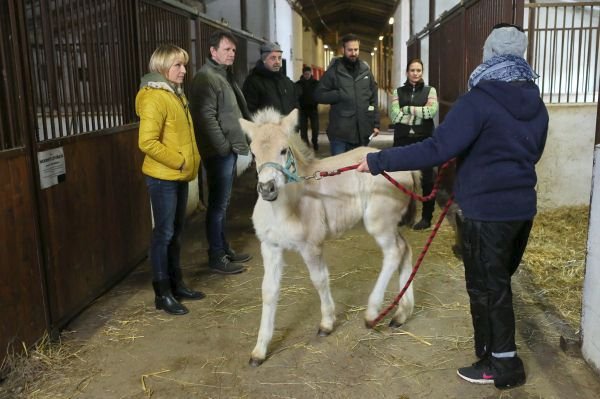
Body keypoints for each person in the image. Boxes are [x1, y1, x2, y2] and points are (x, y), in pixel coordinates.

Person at [357, 24, 548, 390]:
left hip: (486, 211)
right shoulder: (535, 100)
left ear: (489, 54)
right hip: (522, 208)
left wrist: (380, 161)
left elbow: (436, 149)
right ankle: (492, 353)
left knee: (487, 288)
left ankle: (502, 365)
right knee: (498, 283)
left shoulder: (478, 100)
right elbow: (532, 151)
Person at [136, 44, 205, 316]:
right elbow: (147, 142)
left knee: (175, 232)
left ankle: (177, 285)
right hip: (163, 176)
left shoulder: (176, 94)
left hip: (178, 175)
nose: (184, 70)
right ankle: (162, 293)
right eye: (178, 65)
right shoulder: (155, 97)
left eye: (183, 65)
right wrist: (179, 161)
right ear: (163, 67)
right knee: (163, 234)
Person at [189, 30, 252, 275]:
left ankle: (224, 249)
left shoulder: (223, 75)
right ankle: (216, 255)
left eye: (234, 50)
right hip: (219, 153)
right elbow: (206, 118)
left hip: (227, 151)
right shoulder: (206, 78)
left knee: (223, 204)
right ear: (212, 51)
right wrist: (224, 148)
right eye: (227, 49)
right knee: (218, 206)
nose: (232, 54)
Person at [390, 59, 439, 230]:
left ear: (422, 72)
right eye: (412, 70)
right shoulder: (398, 91)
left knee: (427, 180)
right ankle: (404, 215)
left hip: (424, 140)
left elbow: (431, 111)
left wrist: (407, 109)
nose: (415, 73)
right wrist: (418, 114)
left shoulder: (430, 91)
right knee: (403, 179)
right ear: (407, 72)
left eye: (419, 70)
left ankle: (426, 217)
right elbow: (394, 116)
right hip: (402, 140)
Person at [314, 33, 379, 155]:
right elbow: (318, 94)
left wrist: (374, 122)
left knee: (359, 170)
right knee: (339, 171)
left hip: (362, 132)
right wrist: (339, 94)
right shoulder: (334, 72)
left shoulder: (366, 72)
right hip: (340, 134)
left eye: (356, 49)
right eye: (350, 50)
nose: (353, 53)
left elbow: (373, 99)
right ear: (343, 50)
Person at [242, 42, 298, 116]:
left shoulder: (286, 81)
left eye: (279, 58)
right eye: (273, 58)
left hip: (288, 127)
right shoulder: (253, 82)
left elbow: (295, 106)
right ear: (264, 60)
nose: (277, 62)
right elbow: (249, 112)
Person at [296, 65, 320, 150]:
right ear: (303, 74)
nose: (307, 75)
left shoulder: (316, 83)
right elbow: (296, 95)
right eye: (305, 74)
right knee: (303, 129)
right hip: (302, 109)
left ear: (311, 73)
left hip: (313, 109)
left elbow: (319, 94)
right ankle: (305, 144)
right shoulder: (298, 84)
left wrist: (316, 102)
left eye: (308, 74)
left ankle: (315, 142)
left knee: (315, 128)